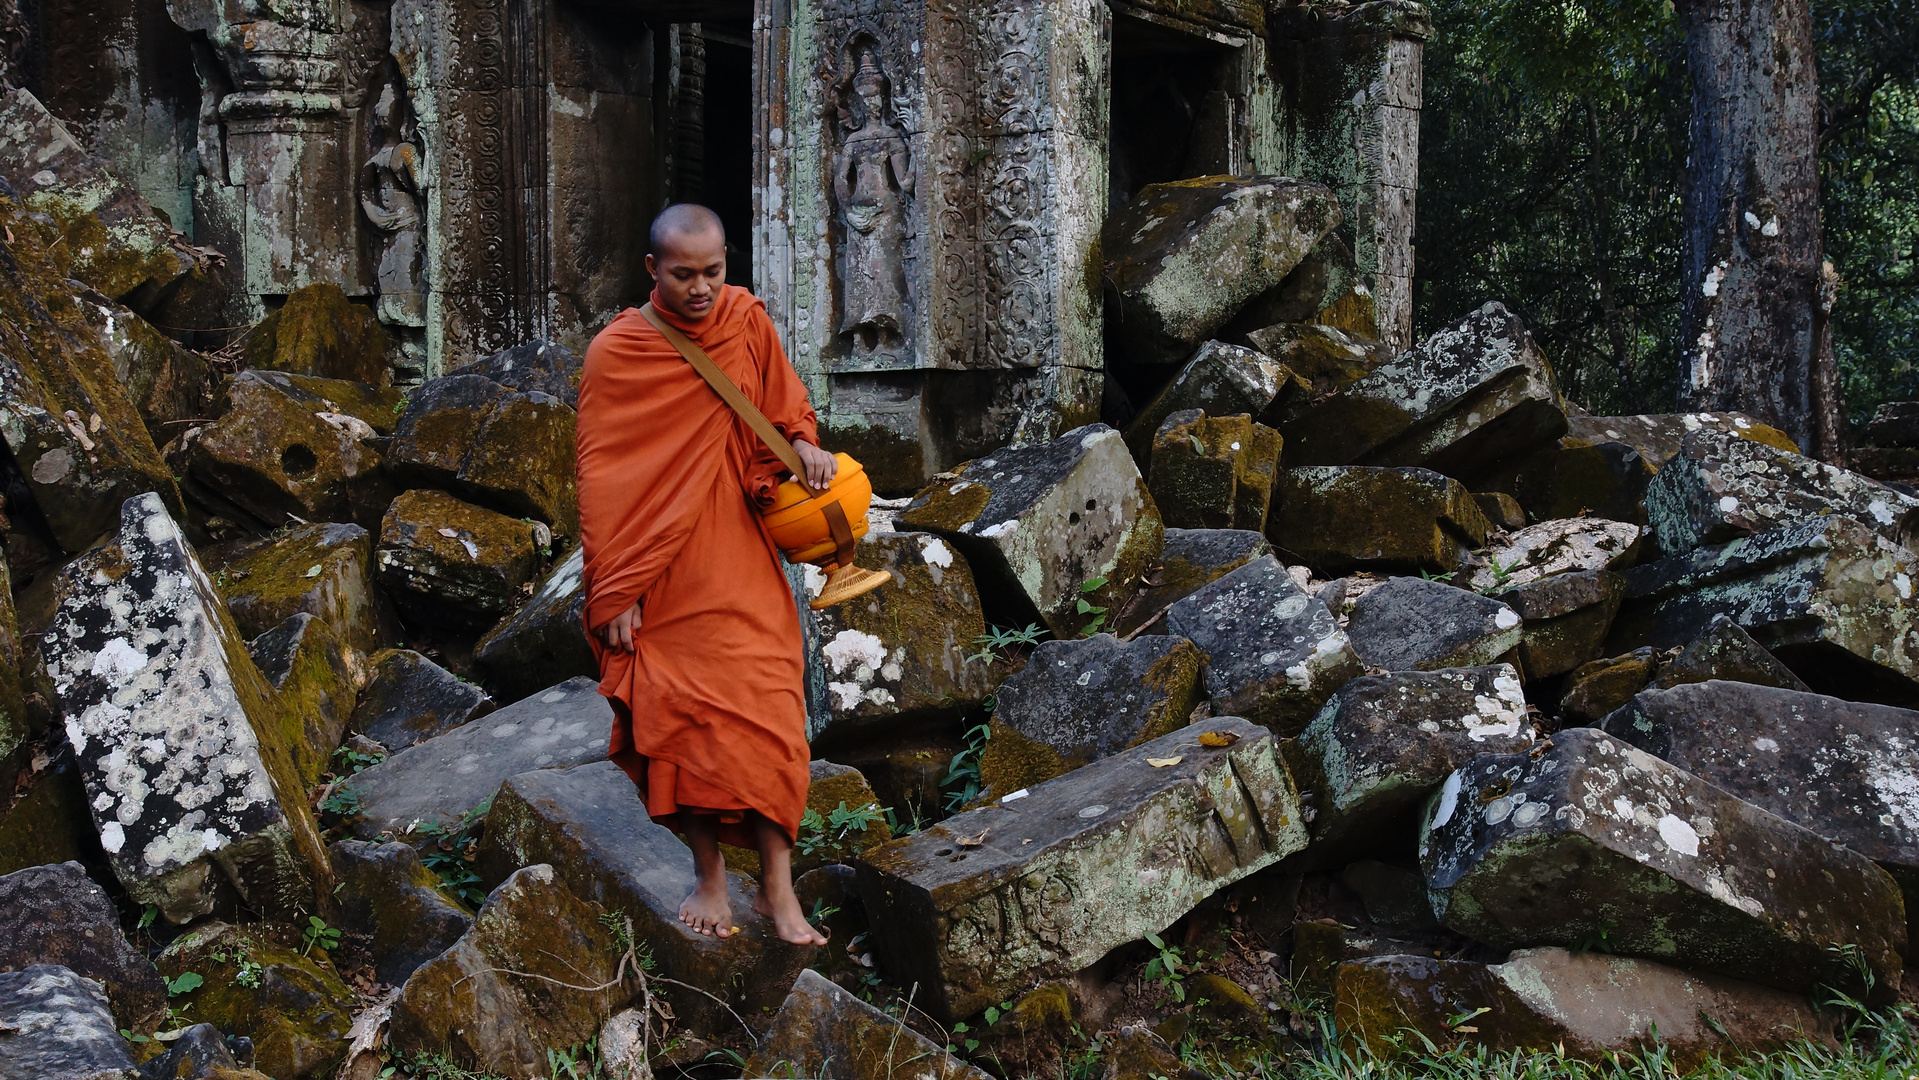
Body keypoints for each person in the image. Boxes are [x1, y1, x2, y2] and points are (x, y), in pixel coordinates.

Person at [576, 204, 834, 946]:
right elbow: (602, 478)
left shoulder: (747, 321)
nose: (701, 289)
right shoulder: (617, 353)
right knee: (680, 720)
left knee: (771, 712)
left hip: (742, 550)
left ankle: (780, 895)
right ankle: (710, 879)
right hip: (661, 566)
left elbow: (786, 411)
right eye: (684, 275)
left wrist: (804, 445)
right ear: (651, 270)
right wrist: (614, 589)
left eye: (713, 273)